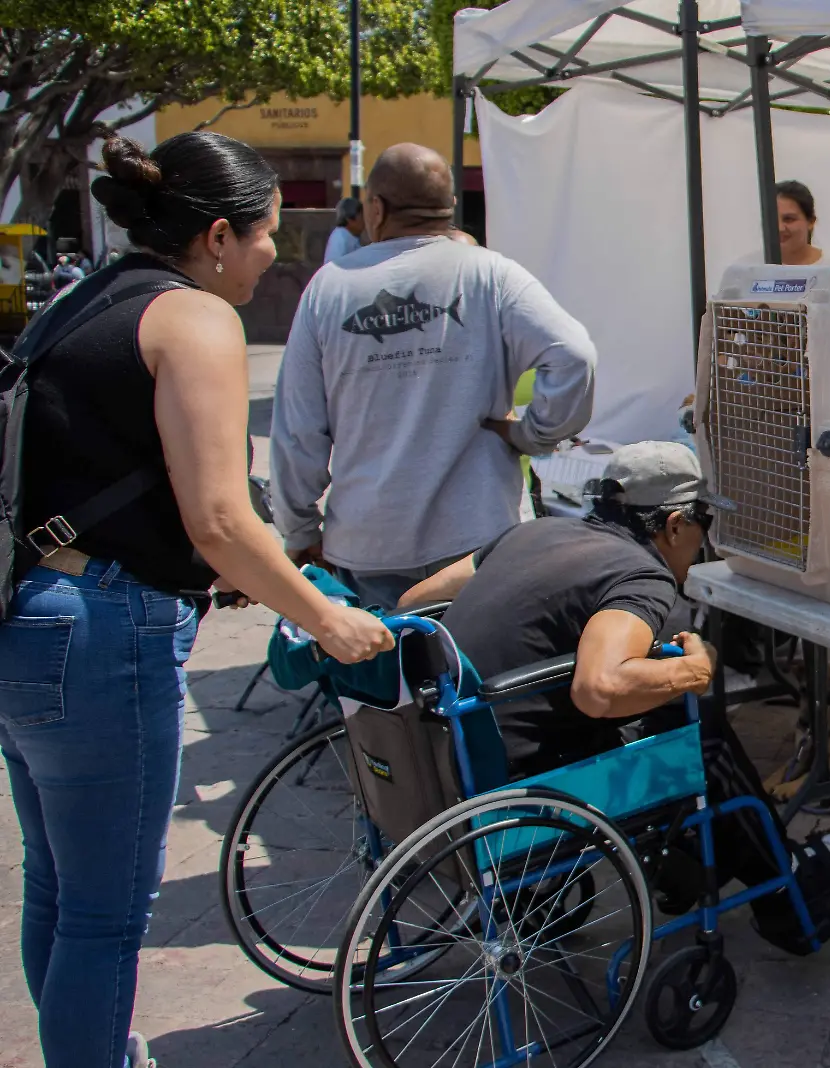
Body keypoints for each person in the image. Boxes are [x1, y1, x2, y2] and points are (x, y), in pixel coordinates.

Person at [0, 132, 391, 1068]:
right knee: (104, 912)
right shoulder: (196, 319)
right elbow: (220, 520)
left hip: (31, 615)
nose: (271, 254)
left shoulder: (84, 298)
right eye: (265, 235)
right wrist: (328, 619)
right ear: (218, 234)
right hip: (104, 633)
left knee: (59, 889)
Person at [399, 440, 830, 953]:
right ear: (674, 525)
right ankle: (784, 890)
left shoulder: (533, 531)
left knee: (670, 719)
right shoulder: (640, 575)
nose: (704, 542)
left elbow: (411, 605)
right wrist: (696, 670)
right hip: (511, 787)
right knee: (699, 732)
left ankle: (695, 865)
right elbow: (601, 687)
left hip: (437, 761)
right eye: (704, 524)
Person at [271, 143, 597, 611]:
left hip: (370, 547)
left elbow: (297, 430)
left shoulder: (330, 287)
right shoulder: (492, 273)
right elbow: (574, 355)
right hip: (480, 539)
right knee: (476, 679)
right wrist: (533, 435)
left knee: (382, 679)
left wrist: (299, 529)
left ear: (377, 208)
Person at [323, 196, 364, 264]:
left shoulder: (351, 235)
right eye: (361, 216)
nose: (364, 221)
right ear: (350, 219)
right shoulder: (340, 238)